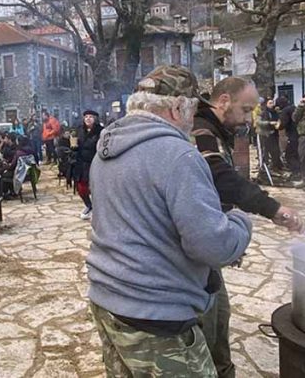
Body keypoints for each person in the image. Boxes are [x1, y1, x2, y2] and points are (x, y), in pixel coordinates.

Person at [86, 65, 254, 377]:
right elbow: (212, 246)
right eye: (191, 110)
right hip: (155, 314)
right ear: (177, 108)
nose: (193, 122)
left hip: (106, 300)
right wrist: (240, 222)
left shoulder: (104, 152)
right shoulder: (178, 156)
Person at [190, 76, 304, 377]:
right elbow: (221, 178)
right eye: (245, 109)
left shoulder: (216, 127)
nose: (248, 117)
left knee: (221, 312)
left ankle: (222, 368)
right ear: (224, 101)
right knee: (208, 319)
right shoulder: (200, 129)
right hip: (196, 242)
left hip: (211, 237)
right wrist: (273, 209)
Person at [73, 110, 103, 221]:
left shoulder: (101, 131)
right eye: (86, 117)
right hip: (82, 163)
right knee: (81, 188)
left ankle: (99, 209)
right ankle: (89, 205)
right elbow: (75, 143)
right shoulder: (80, 130)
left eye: (90, 116)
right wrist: (74, 148)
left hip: (96, 162)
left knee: (96, 187)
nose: (88, 119)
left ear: (95, 119)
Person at [276, 96, 300, 176]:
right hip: (299, 133)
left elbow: (283, 124)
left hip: (292, 134)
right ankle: (301, 171)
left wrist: (277, 126)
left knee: (289, 155)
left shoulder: (285, 111)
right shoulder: (294, 107)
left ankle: (296, 173)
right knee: (297, 154)